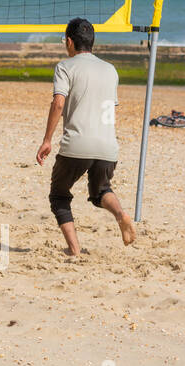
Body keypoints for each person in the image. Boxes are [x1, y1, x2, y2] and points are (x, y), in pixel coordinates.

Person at [36, 17, 135, 255]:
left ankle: (74, 249)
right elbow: (110, 109)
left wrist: (47, 140)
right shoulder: (110, 70)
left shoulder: (65, 67)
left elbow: (58, 103)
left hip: (76, 145)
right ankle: (121, 214)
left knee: (59, 195)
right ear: (92, 43)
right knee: (101, 191)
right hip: (107, 146)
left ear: (69, 42)